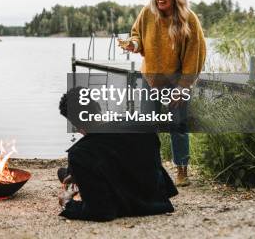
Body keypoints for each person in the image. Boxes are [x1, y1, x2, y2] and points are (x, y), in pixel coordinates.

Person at [124, 0, 207, 186]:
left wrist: (183, 87)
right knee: (147, 126)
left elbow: (194, 56)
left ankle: (182, 172)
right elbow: (137, 35)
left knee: (177, 126)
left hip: (177, 82)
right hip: (150, 78)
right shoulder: (148, 12)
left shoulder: (189, 20)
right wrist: (133, 45)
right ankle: (150, 170)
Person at [57, 87, 177, 221]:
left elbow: (100, 212)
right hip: (158, 203)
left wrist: (67, 202)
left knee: (78, 164)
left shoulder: (80, 153)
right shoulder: (143, 125)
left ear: (75, 124)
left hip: (126, 206)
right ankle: (74, 174)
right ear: (98, 107)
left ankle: (75, 174)